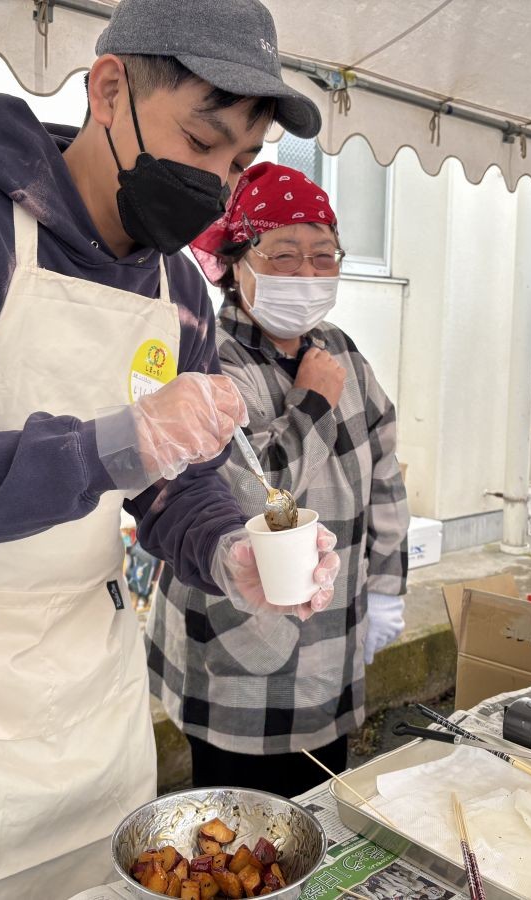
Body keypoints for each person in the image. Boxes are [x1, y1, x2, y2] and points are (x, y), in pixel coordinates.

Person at [0, 2, 340, 897]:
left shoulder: (179, 291)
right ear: (108, 89)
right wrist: (111, 445)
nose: (216, 182)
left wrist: (227, 548)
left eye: (240, 164)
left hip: (86, 710)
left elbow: (176, 487)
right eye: (202, 141)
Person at [146, 162, 410, 798]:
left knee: (319, 813)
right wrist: (312, 405)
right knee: (236, 832)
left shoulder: (344, 353)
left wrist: (387, 587)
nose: (308, 274)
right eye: (284, 255)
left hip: (333, 639)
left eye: (324, 257)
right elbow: (248, 496)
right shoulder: (208, 359)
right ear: (238, 264)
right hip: (234, 651)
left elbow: (386, 477)